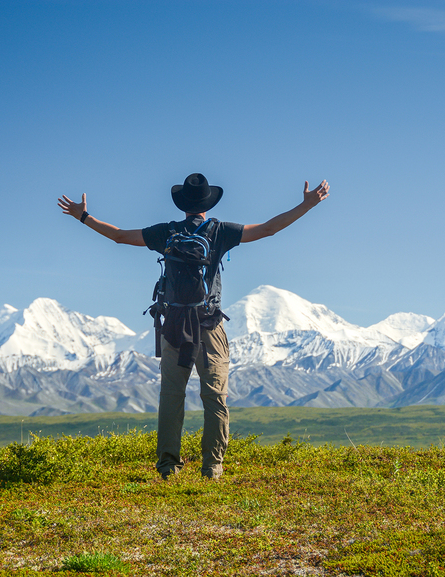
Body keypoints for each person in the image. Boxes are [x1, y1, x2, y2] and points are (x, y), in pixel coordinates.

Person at [57, 173, 329, 480]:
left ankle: (167, 467)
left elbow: (119, 235)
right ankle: (212, 467)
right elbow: (268, 229)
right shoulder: (220, 231)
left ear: (182, 204)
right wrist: (307, 205)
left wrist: (83, 216)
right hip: (209, 326)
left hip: (173, 324)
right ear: (207, 202)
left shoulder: (166, 233)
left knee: (171, 397)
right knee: (215, 397)